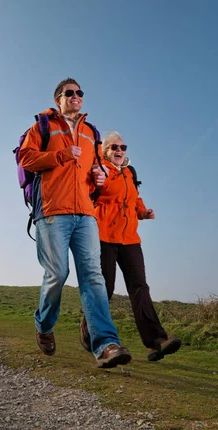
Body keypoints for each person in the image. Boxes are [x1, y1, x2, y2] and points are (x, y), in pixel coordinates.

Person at [19, 78, 131, 368]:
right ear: (59, 98)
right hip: (52, 211)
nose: (76, 96)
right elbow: (26, 158)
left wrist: (99, 176)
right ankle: (44, 326)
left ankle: (106, 345)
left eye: (80, 92)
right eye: (70, 92)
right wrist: (59, 156)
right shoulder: (43, 125)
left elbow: (94, 167)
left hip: (85, 213)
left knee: (93, 276)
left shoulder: (90, 132)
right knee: (57, 273)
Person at [80, 130, 181, 362]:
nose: (119, 151)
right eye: (114, 147)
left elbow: (134, 199)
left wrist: (142, 212)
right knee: (104, 289)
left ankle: (156, 342)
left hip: (130, 239)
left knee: (140, 287)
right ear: (105, 150)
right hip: (104, 235)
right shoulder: (99, 170)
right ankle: (88, 329)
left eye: (123, 148)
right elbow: (88, 194)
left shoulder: (129, 173)